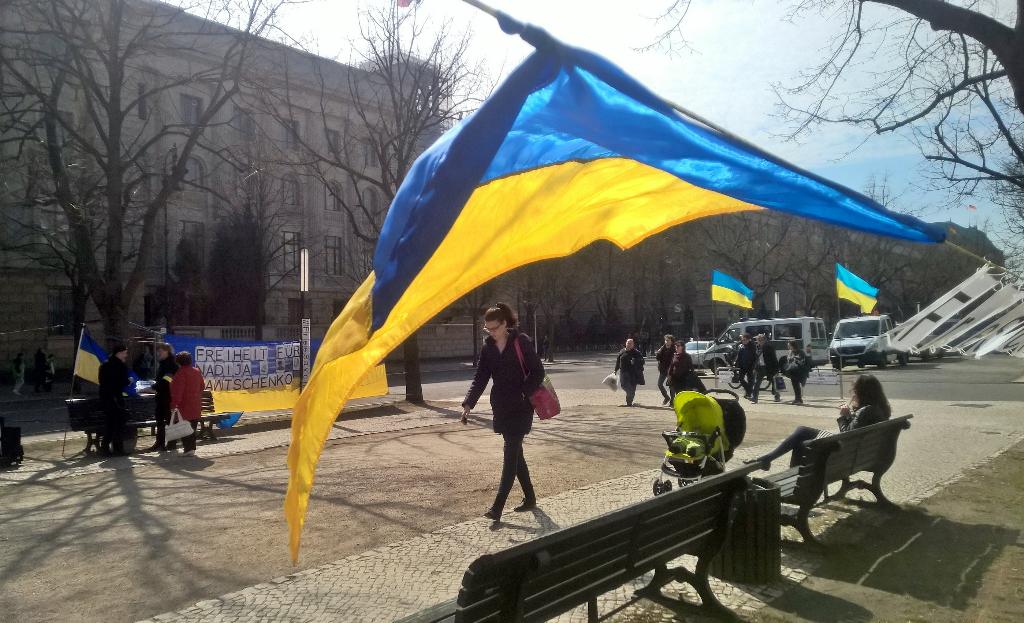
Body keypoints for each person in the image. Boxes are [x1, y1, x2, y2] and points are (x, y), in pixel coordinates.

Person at [462, 303, 543, 521]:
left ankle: (497, 507)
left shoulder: (520, 341)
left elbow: (538, 371)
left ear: (504, 324)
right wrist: (469, 404)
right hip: (502, 406)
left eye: (494, 328)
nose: (491, 333)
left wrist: (525, 393)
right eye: (487, 329)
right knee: (516, 453)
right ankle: (530, 497)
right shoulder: (488, 348)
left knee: (510, 451)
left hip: (522, 406)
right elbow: (480, 377)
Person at [752, 374, 891, 467]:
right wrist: (852, 413)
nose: (852, 393)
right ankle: (769, 458)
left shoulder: (866, 410)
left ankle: (789, 475)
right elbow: (856, 431)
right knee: (802, 431)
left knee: (802, 442)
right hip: (860, 452)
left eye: (854, 390)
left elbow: (847, 435)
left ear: (862, 392)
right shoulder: (880, 408)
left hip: (846, 452)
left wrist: (845, 415)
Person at [168, 351, 204, 456]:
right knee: (192, 427)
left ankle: (188, 449)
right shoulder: (197, 371)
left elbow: (177, 392)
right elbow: (202, 386)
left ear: (178, 362)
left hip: (184, 406)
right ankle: (191, 448)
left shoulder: (180, 374)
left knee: (185, 428)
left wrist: (174, 405)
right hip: (195, 404)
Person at [98, 343, 131, 456]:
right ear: (120, 353)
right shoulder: (121, 366)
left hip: (106, 398)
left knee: (109, 424)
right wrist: (129, 380)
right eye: (125, 353)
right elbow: (122, 382)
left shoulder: (104, 365)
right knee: (119, 425)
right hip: (117, 399)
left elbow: (101, 382)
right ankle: (118, 448)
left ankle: (105, 448)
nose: (126, 355)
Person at [144, 342, 178, 452]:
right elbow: (162, 380)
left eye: (161, 351)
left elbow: (166, 381)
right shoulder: (163, 363)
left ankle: (172, 444)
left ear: (167, 351)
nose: (158, 353)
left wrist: (152, 387)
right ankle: (160, 443)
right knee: (159, 421)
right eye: (158, 351)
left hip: (168, 397)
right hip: (161, 397)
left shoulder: (172, 365)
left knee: (169, 421)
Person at [614, 338, 645, 407]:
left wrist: (635, 361)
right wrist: (615, 370)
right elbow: (618, 361)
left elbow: (642, 361)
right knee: (624, 385)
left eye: (630, 343)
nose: (629, 344)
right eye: (628, 343)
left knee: (632, 388)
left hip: (633, 373)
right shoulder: (622, 351)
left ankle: (629, 403)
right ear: (625, 343)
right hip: (623, 372)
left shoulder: (636, 352)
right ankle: (630, 399)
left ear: (633, 345)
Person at [751, 333, 780, 403]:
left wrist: (776, 368)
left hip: (769, 367)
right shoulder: (758, 347)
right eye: (757, 340)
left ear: (762, 340)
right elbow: (756, 358)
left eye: (758, 340)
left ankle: (777, 395)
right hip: (760, 367)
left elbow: (773, 358)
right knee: (757, 382)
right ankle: (755, 398)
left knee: (774, 382)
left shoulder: (769, 346)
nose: (757, 341)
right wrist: (755, 368)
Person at [782, 340, 810, 405]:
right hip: (793, 371)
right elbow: (789, 359)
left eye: (789, 345)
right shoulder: (790, 352)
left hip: (799, 371)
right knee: (795, 385)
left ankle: (798, 399)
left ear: (792, 345)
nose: (788, 346)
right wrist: (791, 358)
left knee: (797, 385)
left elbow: (801, 360)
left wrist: (794, 358)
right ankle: (798, 399)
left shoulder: (800, 352)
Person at [654, 334, 675, 405]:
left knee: (671, 385)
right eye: (665, 340)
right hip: (663, 370)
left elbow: (674, 360)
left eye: (668, 340)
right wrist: (658, 353)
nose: (666, 342)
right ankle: (666, 397)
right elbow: (657, 358)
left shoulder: (674, 349)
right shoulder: (662, 348)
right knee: (659, 384)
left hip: (671, 370)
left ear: (671, 341)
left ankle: (672, 401)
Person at [734, 333, 756, 399]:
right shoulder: (742, 346)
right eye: (742, 340)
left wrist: (753, 365)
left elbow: (754, 357)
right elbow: (739, 356)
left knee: (750, 380)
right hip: (742, 366)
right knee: (741, 379)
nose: (743, 341)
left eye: (744, 340)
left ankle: (748, 393)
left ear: (749, 339)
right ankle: (749, 390)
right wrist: (735, 363)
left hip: (750, 366)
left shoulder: (752, 346)